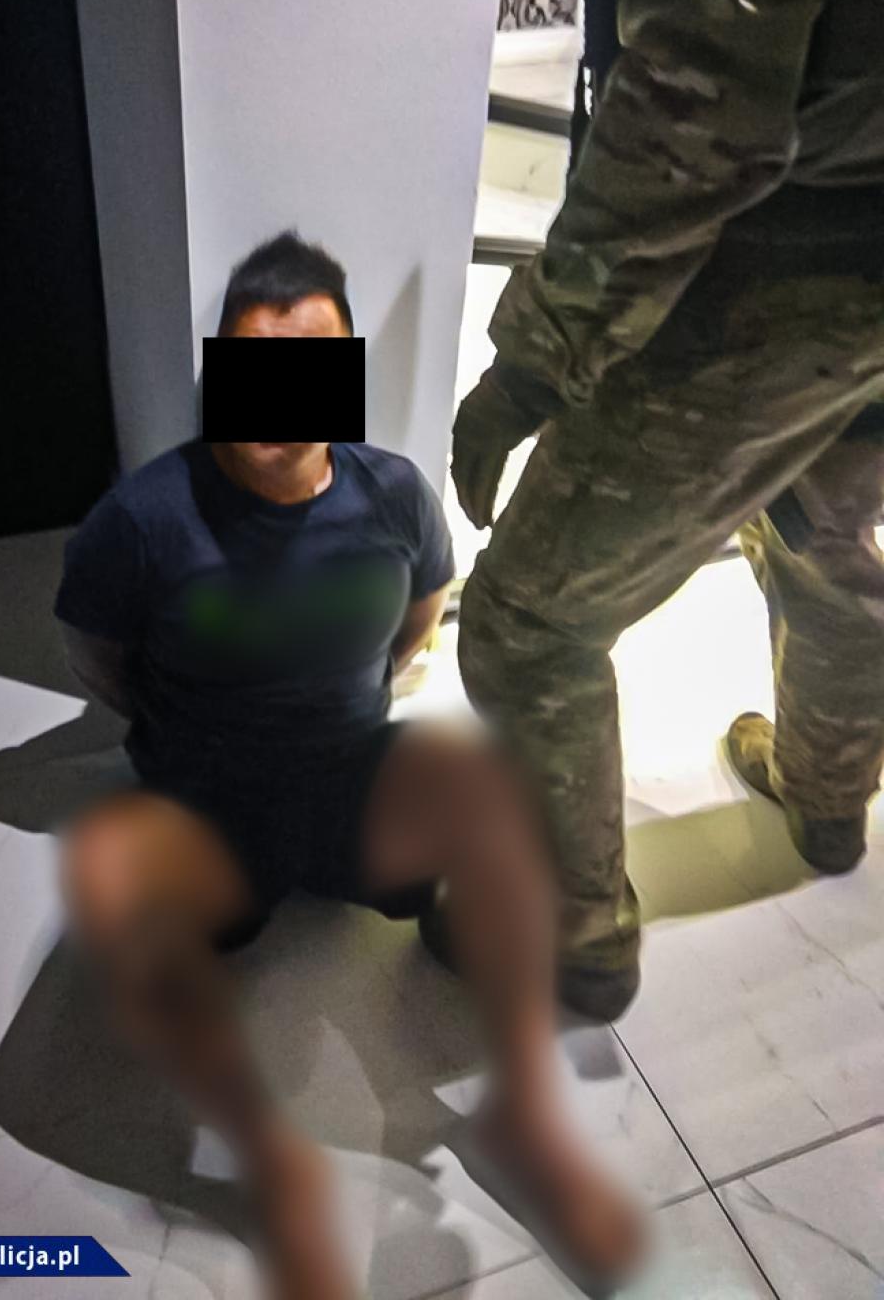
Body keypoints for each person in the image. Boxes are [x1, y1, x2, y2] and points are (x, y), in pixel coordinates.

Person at [53, 233, 643, 1300]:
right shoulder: (138, 521)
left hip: (347, 781)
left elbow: (419, 620)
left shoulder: (395, 496)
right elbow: (97, 658)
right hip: (207, 802)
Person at [450, 0, 884, 1024]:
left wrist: (537, 355)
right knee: (818, 526)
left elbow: (703, 110)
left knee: (526, 623)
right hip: (858, 264)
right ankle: (826, 799)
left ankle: (574, 933)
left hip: (772, 266)